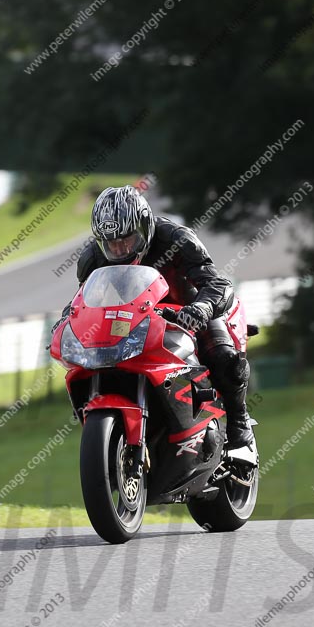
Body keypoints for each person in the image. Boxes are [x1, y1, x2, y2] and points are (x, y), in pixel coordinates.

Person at [55, 185, 254, 450]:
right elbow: (84, 300)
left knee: (223, 357)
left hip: (187, 311)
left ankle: (239, 422)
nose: (121, 249)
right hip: (136, 321)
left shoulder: (176, 238)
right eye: (112, 244)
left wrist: (201, 308)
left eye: (128, 239)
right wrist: (67, 321)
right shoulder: (94, 257)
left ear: (145, 225)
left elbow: (216, 283)